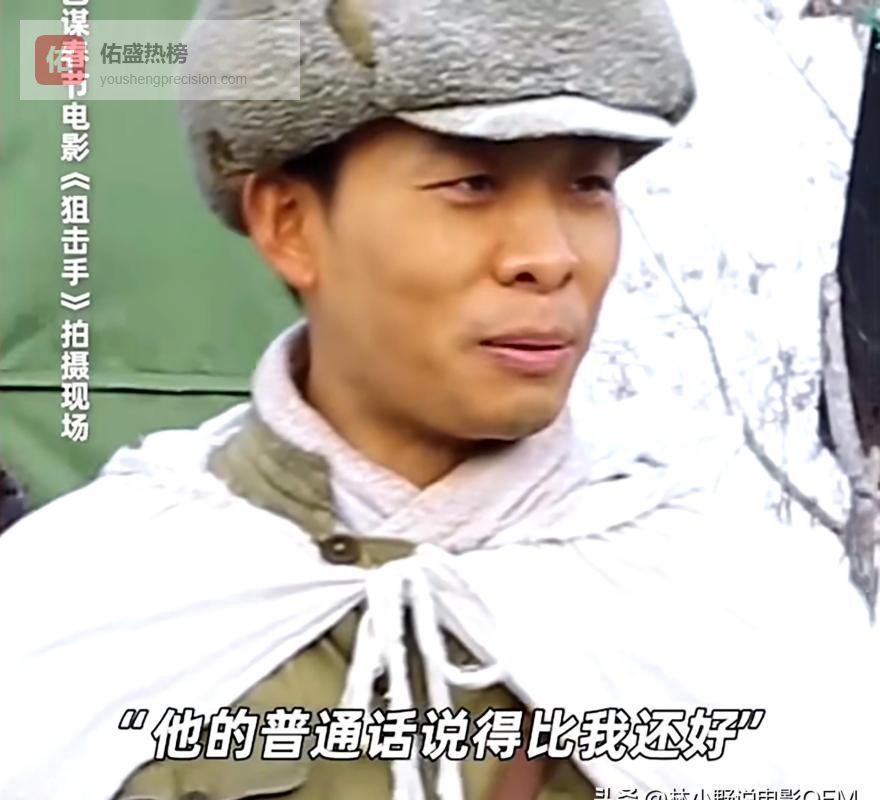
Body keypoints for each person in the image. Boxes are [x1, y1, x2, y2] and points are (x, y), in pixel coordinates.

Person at [1, 1, 878, 799]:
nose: (550, 257)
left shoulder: (746, 611)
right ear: (290, 225)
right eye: (473, 185)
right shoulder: (78, 603)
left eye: (587, 185)